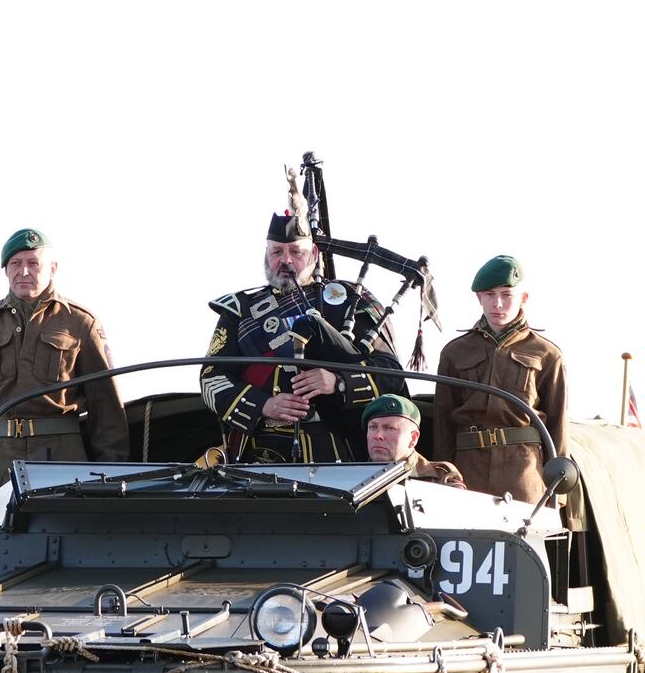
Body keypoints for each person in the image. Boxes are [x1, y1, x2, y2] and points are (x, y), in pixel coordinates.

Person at [200, 211, 407, 463]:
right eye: (277, 252)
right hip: (258, 449)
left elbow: (391, 374)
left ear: (315, 254)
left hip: (337, 448)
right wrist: (263, 405)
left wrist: (337, 381)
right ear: (266, 255)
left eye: (296, 252)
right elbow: (212, 379)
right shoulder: (240, 309)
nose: (285, 261)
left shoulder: (349, 301)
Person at [0, 228, 129, 510]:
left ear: (52, 269)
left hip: (62, 457)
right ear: (5, 270)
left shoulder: (81, 323)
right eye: (15, 264)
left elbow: (106, 407)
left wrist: (109, 475)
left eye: (33, 263)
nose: (24, 271)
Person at [433, 255, 568, 502]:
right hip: (467, 471)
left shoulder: (547, 354)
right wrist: (442, 478)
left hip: (524, 471)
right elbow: (443, 422)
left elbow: (558, 424)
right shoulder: (454, 352)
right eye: (489, 294)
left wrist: (556, 492)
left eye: (507, 295)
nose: (497, 303)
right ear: (479, 298)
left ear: (523, 299)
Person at [363, 394, 464, 485]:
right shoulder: (352, 477)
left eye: (390, 428)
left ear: (413, 438)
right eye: (373, 427)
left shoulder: (441, 477)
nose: (378, 435)